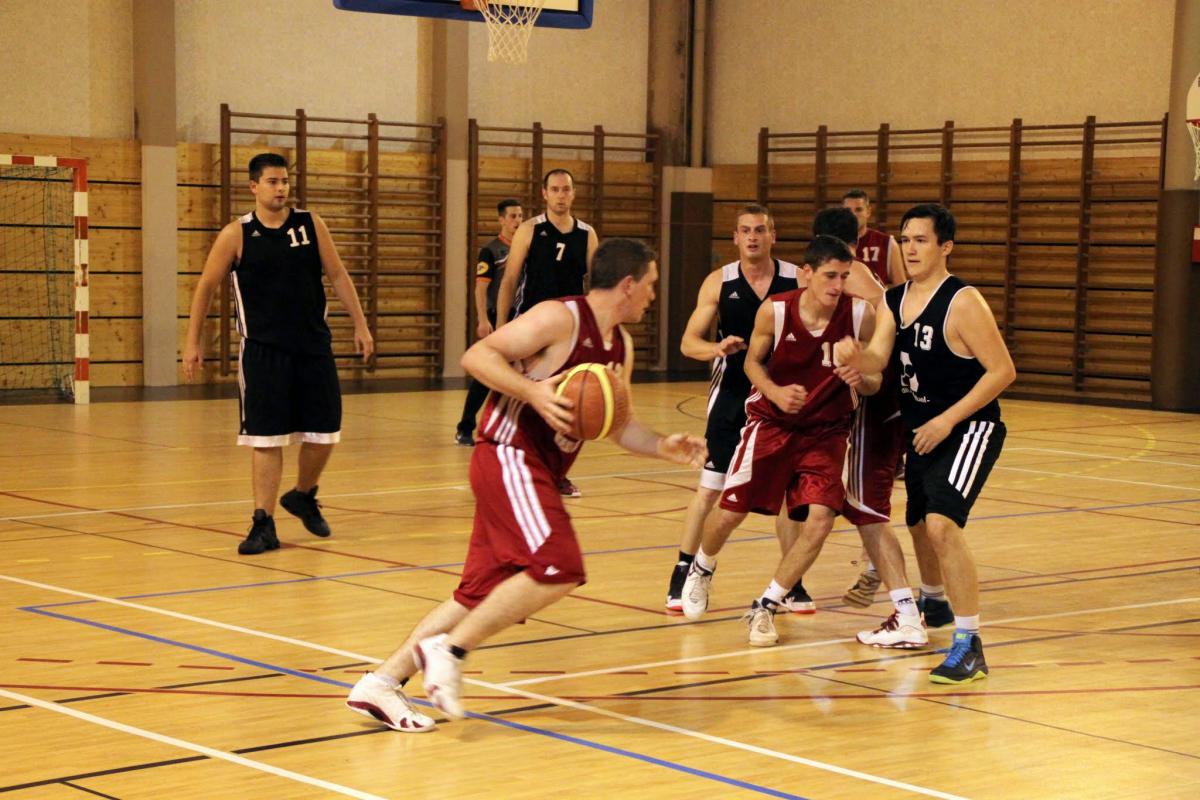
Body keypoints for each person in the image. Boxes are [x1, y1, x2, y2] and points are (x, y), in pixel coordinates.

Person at [345, 238, 705, 728]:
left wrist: (663, 444)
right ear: (628, 284)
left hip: (538, 471)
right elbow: (478, 356)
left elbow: (618, 426)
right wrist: (532, 391)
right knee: (560, 565)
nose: (653, 295)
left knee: (476, 595)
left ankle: (382, 683)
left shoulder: (619, 346)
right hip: (509, 453)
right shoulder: (559, 318)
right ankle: (449, 650)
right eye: (651, 285)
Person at [835, 203, 1015, 683]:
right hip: (922, 430)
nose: (911, 249)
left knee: (941, 525)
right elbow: (878, 357)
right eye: (906, 240)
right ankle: (934, 603)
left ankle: (969, 644)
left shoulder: (963, 301)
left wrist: (947, 420)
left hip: (969, 427)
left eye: (921, 240)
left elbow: (1003, 371)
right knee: (917, 522)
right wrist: (856, 356)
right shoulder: (894, 300)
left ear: (945, 246)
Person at [680, 236, 881, 647]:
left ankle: (767, 604)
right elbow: (751, 363)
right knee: (730, 512)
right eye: (830, 276)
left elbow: (876, 380)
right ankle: (702, 566)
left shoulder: (861, 314)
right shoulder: (775, 310)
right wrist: (773, 391)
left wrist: (861, 376)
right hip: (771, 425)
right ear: (806, 274)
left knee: (821, 520)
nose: (838, 285)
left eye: (844, 276)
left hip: (827, 432)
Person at [183, 153, 374, 555]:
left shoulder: (310, 224)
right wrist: (192, 341)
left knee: (325, 432)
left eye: (284, 181)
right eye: (272, 181)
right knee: (266, 439)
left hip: (313, 346)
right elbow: (206, 287)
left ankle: (303, 494)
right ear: (254, 186)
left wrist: (360, 324)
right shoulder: (236, 234)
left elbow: (338, 274)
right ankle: (263, 523)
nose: (281, 188)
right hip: (263, 351)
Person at [664, 205, 814, 615]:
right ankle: (684, 570)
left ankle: (792, 582)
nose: (752, 237)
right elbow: (688, 342)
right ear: (734, 237)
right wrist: (716, 348)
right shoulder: (720, 281)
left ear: (772, 236)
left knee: (791, 494)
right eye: (745, 230)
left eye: (760, 230)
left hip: (780, 396)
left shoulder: (796, 280)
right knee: (711, 489)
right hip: (732, 396)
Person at [813, 208, 940, 647]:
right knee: (882, 504)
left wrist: (859, 362)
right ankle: (928, 600)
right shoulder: (885, 289)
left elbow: (874, 352)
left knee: (865, 505)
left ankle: (906, 612)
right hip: (898, 396)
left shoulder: (858, 283)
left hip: (880, 398)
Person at [496, 168, 599, 498]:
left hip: (569, 330)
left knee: (568, 404)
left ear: (573, 193)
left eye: (566, 189)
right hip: (531, 328)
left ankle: (557, 473)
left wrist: (597, 327)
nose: (561, 195)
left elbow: (597, 286)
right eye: (554, 189)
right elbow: (510, 280)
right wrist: (501, 327)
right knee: (522, 401)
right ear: (544, 193)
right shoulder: (530, 230)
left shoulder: (587, 234)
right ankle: (512, 467)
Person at [841, 189, 907, 605]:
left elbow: (897, 296)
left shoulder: (882, 251)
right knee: (867, 485)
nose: (854, 215)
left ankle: (880, 575)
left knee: (870, 487)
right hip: (871, 372)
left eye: (858, 209)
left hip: (882, 375)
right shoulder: (837, 270)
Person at [455, 198, 524, 446]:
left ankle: (509, 430)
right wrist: (483, 319)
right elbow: (480, 289)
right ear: (501, 220)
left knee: (520, 375)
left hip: (522, 317)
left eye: (521, 216)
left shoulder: (527, 248)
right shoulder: (491, 251)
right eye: (513, 216)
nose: (518, 221)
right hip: (497, 317)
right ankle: (465, 427)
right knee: (487, 375)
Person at [842, 189, 905, 287]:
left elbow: (901, 287)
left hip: (877, 296)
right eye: (848, 211)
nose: (853, 215)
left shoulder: (887, 243)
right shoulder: (833, 244)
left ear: (868, 212)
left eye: (858, 210)